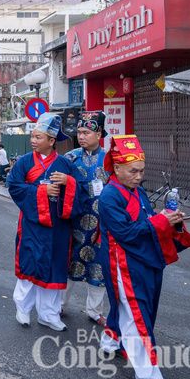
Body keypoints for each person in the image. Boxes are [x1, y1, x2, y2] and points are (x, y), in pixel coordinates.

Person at [98, 135, 190, 379]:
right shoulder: (109, 197)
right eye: (133, 171)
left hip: (143, 258)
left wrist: (169, 218)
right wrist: (160, 221)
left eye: (142, 171)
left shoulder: (138, 191)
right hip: (121, 262)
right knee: (137, 312)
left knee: (132, 307)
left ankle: (111, 340)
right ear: (117, 168)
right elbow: (125, 233)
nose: (139, 176)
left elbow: (148, 221)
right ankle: (147, 372)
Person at [8, 113, 84, 332]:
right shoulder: (24, 162)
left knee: (54, 266)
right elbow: (14, 186)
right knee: (30, 264)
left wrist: (68, 182)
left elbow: (81, 189)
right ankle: (23, 308)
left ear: (52, 141)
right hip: (33, 224)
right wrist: (41, 191)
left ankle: (48, 314)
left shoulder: (64, 164)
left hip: (58, 226)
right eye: (32, 136)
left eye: (38, 137)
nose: (33, 141)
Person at [61, 111, 110, 327]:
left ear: (99, 133)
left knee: (99, 267)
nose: (81, 136)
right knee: (69, 265)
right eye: (79, 132)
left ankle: (95, 311)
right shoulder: (70, 158)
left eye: (86, 132)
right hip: (74, 223)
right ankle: (59, 305)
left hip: (102, 224)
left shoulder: (109, 159)